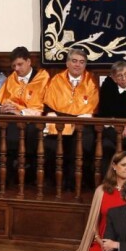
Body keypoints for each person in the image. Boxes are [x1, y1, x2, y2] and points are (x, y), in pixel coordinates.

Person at [44, 48, 99, 188]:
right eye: (74, 61)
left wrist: (79, 120)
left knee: (82, 144)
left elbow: (92, 108)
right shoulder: (57, 79)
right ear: (67, 63)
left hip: (82, 122)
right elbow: (50, 105)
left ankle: (74, 183)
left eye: (81, 62)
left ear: (85, 65)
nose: (77, 65)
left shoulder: (91, 81)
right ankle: (55, 182)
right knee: (50, 145)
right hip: (60, 120)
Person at [0, 46, 50, 180]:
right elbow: (1, 102)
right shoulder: (11, 79)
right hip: (12, 118)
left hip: (34, 120)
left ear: (29, 62)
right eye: (14, 66)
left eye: (20, 64)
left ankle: (22, 174)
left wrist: (22, 113)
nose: (17, 69)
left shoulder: (42, 77)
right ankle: (5, 176)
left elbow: (46, 106)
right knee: (1, 129)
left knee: (16, 132)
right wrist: (2, 109)